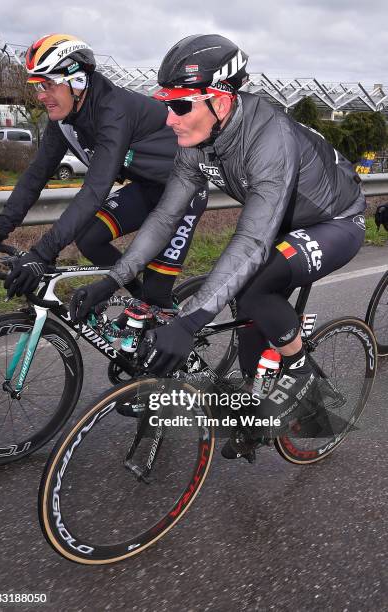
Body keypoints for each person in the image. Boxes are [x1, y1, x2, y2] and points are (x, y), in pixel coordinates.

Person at [70, 34, 366, 450]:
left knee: (252, 279)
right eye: (164, 103)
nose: (168, 119)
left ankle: (301, 370)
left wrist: (190, 322)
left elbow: (251, 239)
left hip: (336, 221)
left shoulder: (269, 139)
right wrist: (113, 279)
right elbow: (164, 217)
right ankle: (255, 409)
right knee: (245, 307)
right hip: (286, 220)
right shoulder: (198, 140)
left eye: (178, 105)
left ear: (220, 102)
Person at [0, 33, 207, 307]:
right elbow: (35, 176)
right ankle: (139, 301)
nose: (41, 95)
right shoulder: (64, 119)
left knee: (156, 293)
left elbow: (95, 190)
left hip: (184, 193)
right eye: (38, 84)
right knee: (88, 238)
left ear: (77, 81)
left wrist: (42, 253)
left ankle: (164, 317)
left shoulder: (114, 111)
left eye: (49, 84)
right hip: (149, 188)